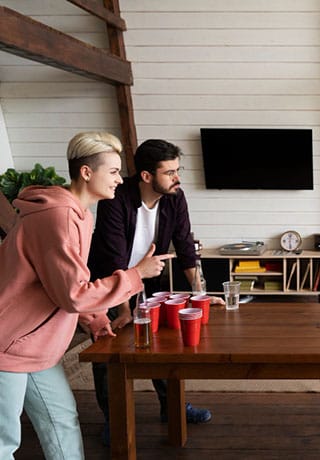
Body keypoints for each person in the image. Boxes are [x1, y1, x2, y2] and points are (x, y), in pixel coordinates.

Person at [0, 132, 171, 459]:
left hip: (35, 343)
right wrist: (137, 274)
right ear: (86, 172)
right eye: (114, 171)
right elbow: (73, 295)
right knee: (3, 442)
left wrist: (95, 320)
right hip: (8, 342)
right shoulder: (60, 217)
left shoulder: (78, 214)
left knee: (61, 419)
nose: (121, 180)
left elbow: (63, 281)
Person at [88, 138, 220, 444]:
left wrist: (200, 292)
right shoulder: (116, 197)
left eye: (177, 170)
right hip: (109, 282)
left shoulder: (175, 196)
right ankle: (114, 418)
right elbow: (113, 256)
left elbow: (185, 246)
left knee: (161, 345)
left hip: (147, 279)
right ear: (147, 176)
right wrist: (123, 309)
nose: (177, 178)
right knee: (110, 353)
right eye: (170, 172)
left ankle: (171, 406)